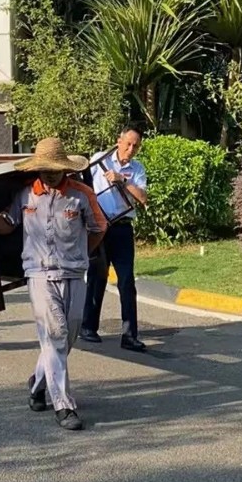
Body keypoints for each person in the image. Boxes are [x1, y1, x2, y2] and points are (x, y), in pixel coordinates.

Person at [0, 137, 106, 431]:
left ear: (65, 168)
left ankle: (37, 384)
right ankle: (64, 406)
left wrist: (81, 254)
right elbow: (6, 224)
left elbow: (99, 228)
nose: (50, 173)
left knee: (69, 335)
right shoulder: (25, 194)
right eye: (45, 168)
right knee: (55, 334)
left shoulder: (82, 195)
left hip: (74, 274)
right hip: (39, 274)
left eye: (55, 168)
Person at [80, 128, 148, 352]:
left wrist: (122, 180)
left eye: (135, 146)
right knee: (96, 277)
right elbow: (84, 187)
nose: (131, 149)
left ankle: (129, 336)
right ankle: (88, 327)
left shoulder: (137, 169)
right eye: (128, 143)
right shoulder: (100, 159)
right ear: (119, 141)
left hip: (122, 228)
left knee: (127, 281)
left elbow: (143, 198)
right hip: (100, 228)